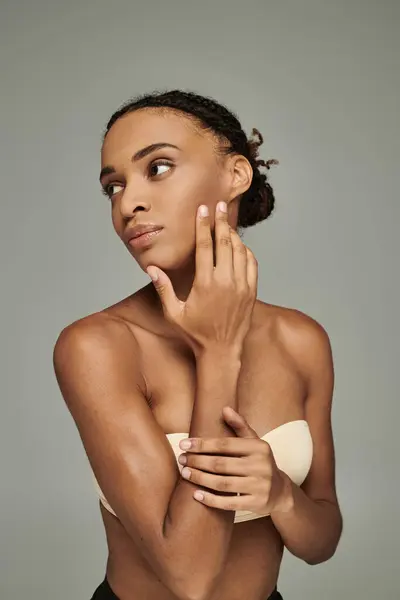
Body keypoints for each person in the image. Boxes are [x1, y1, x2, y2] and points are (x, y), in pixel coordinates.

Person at [53, 89, 343, 600]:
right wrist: (218, 354)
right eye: (112, 187)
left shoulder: (301, 340)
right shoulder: (97, 346)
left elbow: (322, 539)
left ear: (236, 175)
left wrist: (280, 495)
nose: (128, 203)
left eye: (158, 168)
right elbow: (189, 577)